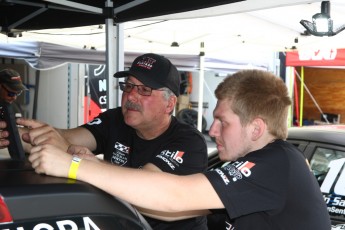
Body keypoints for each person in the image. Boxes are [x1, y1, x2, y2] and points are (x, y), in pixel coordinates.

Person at [27, 69, 331, 230]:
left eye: (222, 122)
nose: (212, 131)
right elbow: (172, 211)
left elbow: (174, 196)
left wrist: (75, 166)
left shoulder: (278, 161)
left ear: (256, 128)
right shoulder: (258, 167)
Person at [4, 53, 208, 229]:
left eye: (144, 90)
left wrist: (79, 163)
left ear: (169, 104)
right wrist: (14, 133)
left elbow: (147, 188)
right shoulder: (116, 119)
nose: (131, 96)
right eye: (128, 86)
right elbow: (67, 139)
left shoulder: (188, 141)